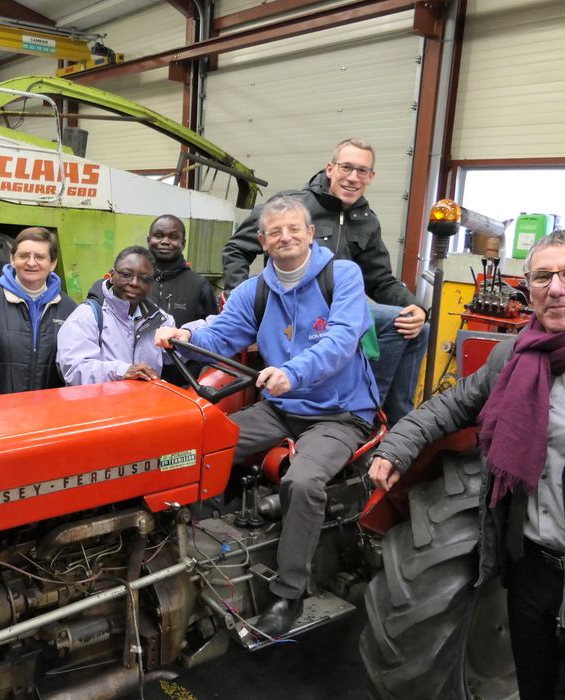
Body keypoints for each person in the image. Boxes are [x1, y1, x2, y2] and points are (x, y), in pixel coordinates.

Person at [368, 230, 565, 700]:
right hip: (532, 568)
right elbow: (451, 405)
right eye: (542, 277)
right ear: (527, 288)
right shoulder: (515, 356)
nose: (556, 288)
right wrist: (396, 446)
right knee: (534, 688)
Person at [157, 196, 378, 638]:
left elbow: (340, 342)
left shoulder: (343, 277)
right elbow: (222, 332)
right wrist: (187, 334)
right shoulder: (255, 289)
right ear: (262, 241)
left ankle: (289, 592)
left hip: (341, 413)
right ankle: (182, 546)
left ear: (311, 234)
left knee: (302, 481)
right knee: (196, 445)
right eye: (274, 232)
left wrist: (292, 373)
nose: (285, 238)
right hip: (282, 409)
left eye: (294, 229)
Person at [221, 138, 428, 425]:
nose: (353, 177)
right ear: (330, 169)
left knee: (413, 326)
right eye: (346, 168)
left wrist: (414, 306)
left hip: (340, 308)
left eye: (362, 171)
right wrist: (237, 299)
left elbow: (380, 280)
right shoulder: (292, 208)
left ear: (371, 177)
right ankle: (363, 410)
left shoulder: (366, 220)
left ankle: (388, 419)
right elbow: (236, 249)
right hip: (291, 308)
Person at [0, 227, 76, 397]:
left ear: (53, 263)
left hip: (49, 416)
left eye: (40, 257)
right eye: (24, 255)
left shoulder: (69, 309)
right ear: (12, 259)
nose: (31, 262)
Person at [57, 246, 174, 385]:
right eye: (126, 274)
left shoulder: (161, 320)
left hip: (147, 406)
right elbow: (74, 371)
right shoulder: (87, 316)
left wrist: (191, 334)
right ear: (111, 276)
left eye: (144, 279)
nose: (134, 283)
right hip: (100, 406)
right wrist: (123, 371)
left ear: (151, 284)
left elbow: (182, 355)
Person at [146, 214, 219, 385]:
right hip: (138, 378)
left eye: (173, 237)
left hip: (184, 383)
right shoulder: (136, 282)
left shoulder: (199, 285)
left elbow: (213, 330)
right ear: (149, 240)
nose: (165, 241)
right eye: (159, 236)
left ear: (183, 243)